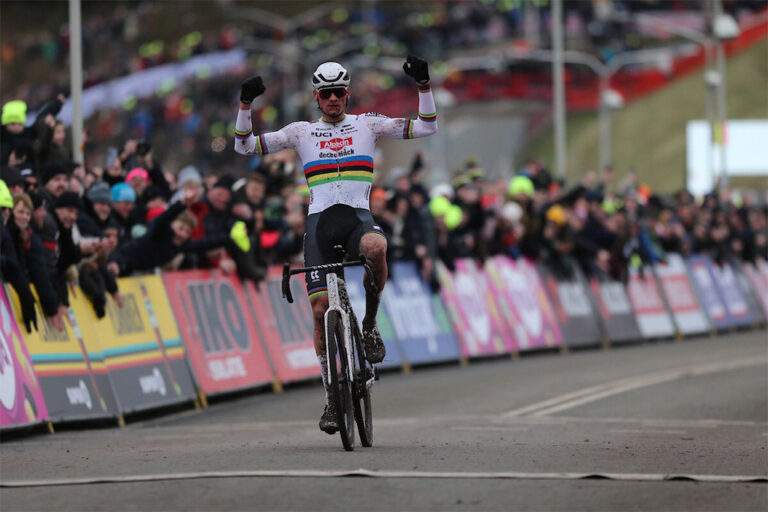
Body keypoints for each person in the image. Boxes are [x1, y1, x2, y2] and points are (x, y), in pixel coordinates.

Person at [234, 55, 438, 434]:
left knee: (377, 248)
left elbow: (427, 128)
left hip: (357, 218)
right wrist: (245, 106)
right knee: (318, 309)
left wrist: (423, 87)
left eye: (339, 93)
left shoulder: (369, 124)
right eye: (326, 94)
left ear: (348, 94)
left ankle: (370, 325)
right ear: (316, 96)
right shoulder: (300, 132)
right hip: (319, 224)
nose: (333, 99)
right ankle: (332, 395)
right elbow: (244, 147)